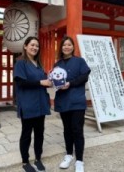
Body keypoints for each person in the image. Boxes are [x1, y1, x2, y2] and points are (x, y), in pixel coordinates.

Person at [14, 36, 52, 172]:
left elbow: (44, 81)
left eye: (37, 46)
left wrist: (50, 81)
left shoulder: (39, 65)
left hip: (41, 103)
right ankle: (25, 161)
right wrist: (40, 82)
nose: (35, 47)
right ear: (25, 46)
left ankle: (38, 158)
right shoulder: (20, 63)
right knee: (26, 134)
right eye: (32, 45)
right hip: (28, 104)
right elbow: (21, 82)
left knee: (40, 133)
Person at [54, 36, 91, 172]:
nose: (67, 47)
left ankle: (79, 160)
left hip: (77, 101)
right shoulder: (57, 64)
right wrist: (54, 84)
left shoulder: (80, 61)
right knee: (67, 129)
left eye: (69, 45)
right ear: (61, 48)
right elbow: (55, 80)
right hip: (63, 100)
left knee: (77, 129)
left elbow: (84, 76)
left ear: (73, 47)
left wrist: (70, 83)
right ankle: (69, 155)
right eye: (64, 45)